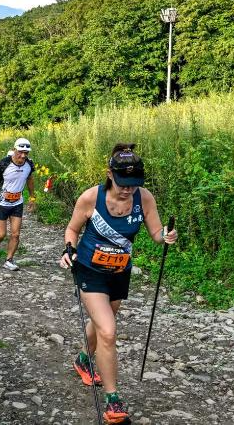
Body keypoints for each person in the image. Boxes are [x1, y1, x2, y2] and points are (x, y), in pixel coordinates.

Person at [58, 143, 178, 425]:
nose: (128, 190)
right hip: (89, 269)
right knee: (109, 332)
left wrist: (166, 236)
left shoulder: (144, 198)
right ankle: (113, 401)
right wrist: (68, 249)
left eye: (133, 184)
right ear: (110, 174)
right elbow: (72, 229)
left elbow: (155, 233)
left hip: (119, 270)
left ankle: (83, 359)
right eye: (123, 183)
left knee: (104, 323)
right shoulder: (91, 197)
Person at [0, 138, 36, 271]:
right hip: (1, 202)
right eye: (20, 152)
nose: (23, 155)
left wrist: (32, 197)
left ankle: (9, 260)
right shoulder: (3, 164)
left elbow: (30, 180)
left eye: (26, 153)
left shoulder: (29, 165)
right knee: (1, 234)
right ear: (14, 150)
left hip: (17, 202)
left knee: (16, 234)